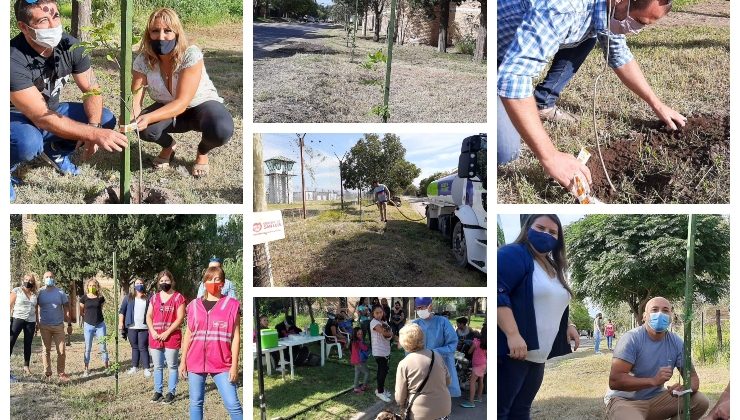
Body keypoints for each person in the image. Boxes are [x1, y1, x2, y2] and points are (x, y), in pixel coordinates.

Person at [497, 0, 684, 191]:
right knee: (504, 153)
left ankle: (542, 103)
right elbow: (512, 77)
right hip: (497, 57)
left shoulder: (609, 10)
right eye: (639, 21)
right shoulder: (563, 8)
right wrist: (550, 157)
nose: (636, 29)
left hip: (515, 53)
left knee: (590, 33)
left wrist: (657, 104)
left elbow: (619, 55)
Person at [10, 0, 127, 201]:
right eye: (43, 20)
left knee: (104, 118)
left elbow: (92, 89)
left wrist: (94, 125)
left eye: (55, 16)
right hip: (16, 118)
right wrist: (93, 134)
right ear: (23, 27)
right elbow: (40, 117)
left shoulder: (70, 46)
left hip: (49, 113)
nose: (54, 25)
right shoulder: (12, 58)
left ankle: (55, 150)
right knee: (28, 142)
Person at [131, 8, 233, 177]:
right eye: (155, 31)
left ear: (177, 33)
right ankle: (169, 146)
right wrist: (129, 119)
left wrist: (148, 117)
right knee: (143, 129)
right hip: (168, 108)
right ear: (148, 34)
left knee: (221, 129)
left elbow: (182, 102)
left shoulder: (190, 54)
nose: (161, 36)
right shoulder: (143, 60)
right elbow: (135, 99)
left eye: (167, 31)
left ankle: (202, 151)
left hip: (200, 105)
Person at [497, 215, 581, 418]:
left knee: (522, 409)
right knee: (501, 411)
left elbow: (551, 300)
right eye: (540, 227)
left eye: (553, 232)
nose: (546, 234)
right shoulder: (513, 254)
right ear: (528, 229)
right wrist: (513, 334)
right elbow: (498, 293)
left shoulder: (552, 265)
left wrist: (568, 324)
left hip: (538, 356)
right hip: (514, 353)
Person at [605, 296, 709, 419]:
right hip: (625, 401)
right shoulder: (631, 339)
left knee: (700, 401)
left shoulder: (676, 342)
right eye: (654, 310)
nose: (660, 314)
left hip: (657, 399)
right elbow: (615, 381)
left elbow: (692, 377)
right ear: (644, 316)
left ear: (671, 316)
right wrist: (653, 381)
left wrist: (685, 388)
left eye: (665, 310)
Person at [179, 266, 242, 419]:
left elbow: (236, 337)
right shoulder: (193, 305)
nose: (212, 282)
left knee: (233, 404)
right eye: (209, 279)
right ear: (204, 282)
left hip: (222, 362)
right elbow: (188, 333)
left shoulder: (232, 305)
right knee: (195, 402)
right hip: (195, 360)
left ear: (223, 283)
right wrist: (183, 361)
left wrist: (234, 366)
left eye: (217, 279)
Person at [395, 323, 451, 420]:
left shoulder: (404, 364)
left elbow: (400, 397)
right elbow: (448, 380)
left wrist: (402, 405)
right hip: (443, 408)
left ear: (405, 343)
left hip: (420, 413)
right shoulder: (436, 355)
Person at [146, 270, 186, 404]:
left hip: (171, 337)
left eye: (166, 281)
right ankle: (158, 392)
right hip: (155, 337)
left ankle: (171, 392)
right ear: (158, 283)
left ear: (172, 281)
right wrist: (153, 331)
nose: (164, 283)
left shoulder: (178, 297)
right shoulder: (154, 298)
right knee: (157, 366)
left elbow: (180, 318)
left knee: (172, 366)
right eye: (161, 281)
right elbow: (149, 316)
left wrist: (167, 332)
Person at [411, 297, 461, 398]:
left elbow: (452, 344)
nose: (420, 310)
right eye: (418, 308)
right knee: (424, 394)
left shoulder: (443, 322)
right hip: (421, 366)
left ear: (430, 306)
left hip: (441, 364)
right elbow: (409, 347)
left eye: (422, 307)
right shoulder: (415, 324)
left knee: (441, 394)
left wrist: (433, 352)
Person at [36, 271, 72, 382]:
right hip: (44, 326)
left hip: (58, 326)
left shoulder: (60, 293)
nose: (49, 278)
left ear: (54, 279)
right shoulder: (39, 293)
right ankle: (47, 372)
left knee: (61, 351)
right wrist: (37, 323)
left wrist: (69, 324)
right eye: (47, 277)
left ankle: (61, 372)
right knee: (46, 350)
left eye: (51, 277)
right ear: (43, 279)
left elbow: (67, 309)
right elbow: (35, 308)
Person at [118, 277, 151, 377]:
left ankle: (146, 368)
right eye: (137, 283)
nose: (139, 285)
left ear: (144, 285)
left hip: (144, 327)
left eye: (141, 283)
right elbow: (122, 311)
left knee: (143, 347)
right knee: (134, 347)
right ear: (134, 285)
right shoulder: (128, 298)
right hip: (131, 327)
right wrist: (121, 323)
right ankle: (134, 367)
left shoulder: (148, 298)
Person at [10, 273, 39, 381]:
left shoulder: (35, 294)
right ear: (23, 280)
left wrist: (37, 322)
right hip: (17, 319)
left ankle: (26, 366)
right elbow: (9, 305)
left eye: (30, 280)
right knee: (10, 342)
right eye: (26, 279)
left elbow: (36, 309)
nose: (28, 281)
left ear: (33, 282)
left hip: (30, 321)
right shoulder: (17, 290)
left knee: (28, 343)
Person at [79, 278, 109, 377]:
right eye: (90, 286)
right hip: (88, 325)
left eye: (94, 286)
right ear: (87, 287)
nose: (92, 287)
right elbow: (81, 311)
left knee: (103, 347)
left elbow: (100, 309)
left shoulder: (100, 298)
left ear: (97, 287)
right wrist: (87, 319)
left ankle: (106, 367)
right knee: (88, 347)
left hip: (100, 325)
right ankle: (86, 369)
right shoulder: (84, 298)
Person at [370, 304, 394, 402]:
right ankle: (380, 392)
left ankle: (381, 389)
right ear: (373, 313)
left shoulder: (383, 322)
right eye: (377, 313)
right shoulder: (373, 322)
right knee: (382, 371)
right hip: (378, 351)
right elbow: (385, 333)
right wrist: (391, 333)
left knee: (384, 371)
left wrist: (390, 334)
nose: (379, 314)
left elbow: (389, 334)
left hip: (385, 350)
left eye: (381, 312)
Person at [461, 323, 487, 408]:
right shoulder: (488, 342)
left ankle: (471, 402)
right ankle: (479, 397)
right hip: (483, 363)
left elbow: (469, 352)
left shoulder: (477, 342)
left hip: (477, 364)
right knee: (481, 380)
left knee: (472, 382)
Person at [350, 327, 370, 394]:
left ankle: (356, 388)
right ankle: (364, 386)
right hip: (359, 361)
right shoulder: (358, 342)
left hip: (355, 361)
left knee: (357, 373)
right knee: (367, 372)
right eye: (358, 334)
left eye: (361, 334)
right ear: (355, 334)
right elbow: (365, 348)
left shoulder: (353, 341)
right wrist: (367, 346)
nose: (360, 335)